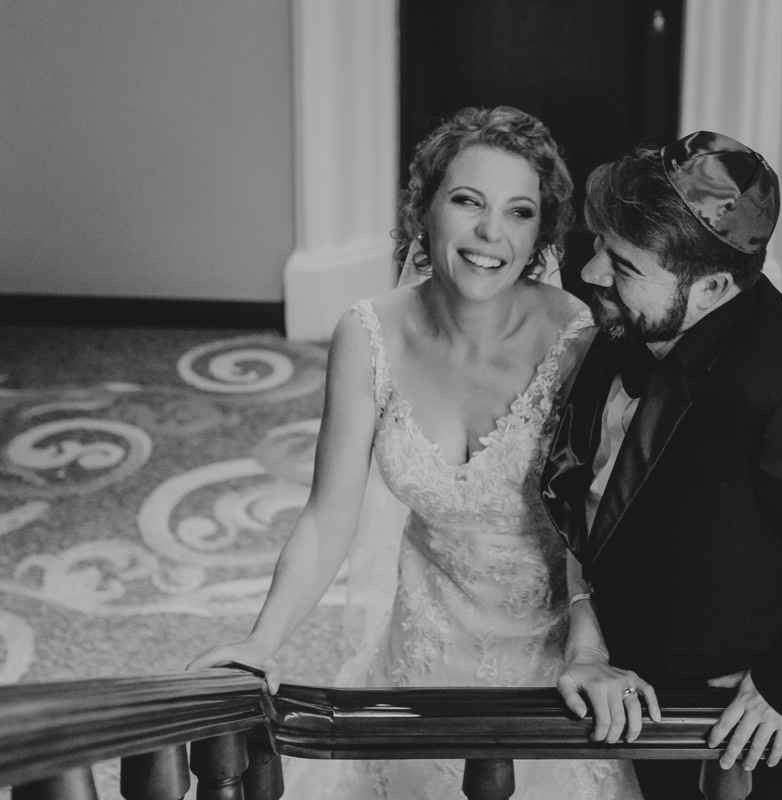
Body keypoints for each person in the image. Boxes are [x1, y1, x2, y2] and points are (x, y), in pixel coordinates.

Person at [187, 106, 642, 800]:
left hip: (547, 655)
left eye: (519, 213)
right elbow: (327, 515)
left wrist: (588, 648)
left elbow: (597, 519)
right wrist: (263, 641)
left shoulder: (576, 338)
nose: (491, 233)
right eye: (468, 201)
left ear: (540, 235)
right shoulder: (367, 335)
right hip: (422, 642)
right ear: (425, 210)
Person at [541, 131, 782, 800]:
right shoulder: (639, 318)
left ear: (713, 286)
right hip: (630, 662)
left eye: (623, 265)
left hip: (721, 707)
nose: (591, 273)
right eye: (600, 246)